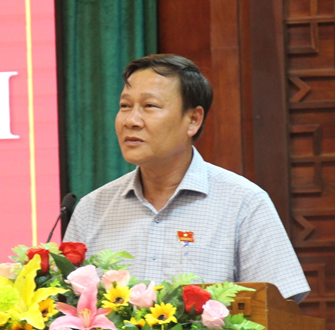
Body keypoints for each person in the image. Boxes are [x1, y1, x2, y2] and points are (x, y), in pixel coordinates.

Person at [63, 54, 310, 303]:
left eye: (150, 106)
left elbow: (279, 310)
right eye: (125, 106)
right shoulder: (92, 210)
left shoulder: (243, 203)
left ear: (193, 120)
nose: (131, 121)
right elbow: (65, 307)